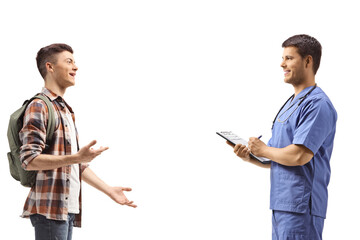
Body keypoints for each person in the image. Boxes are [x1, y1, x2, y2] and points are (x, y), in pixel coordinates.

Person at [19, 43, 137, 240]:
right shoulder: (39, 105)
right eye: (69, 61)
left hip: (66, 210)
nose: (76, 67)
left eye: (75, 62)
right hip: (49, 211)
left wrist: (109, 190)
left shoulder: (65, 110)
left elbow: (75, 164)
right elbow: (29, 159)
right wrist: (74, 158)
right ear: (50, 67)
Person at [227, 34, 337, 239]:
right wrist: (250, 156)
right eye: (283, 58)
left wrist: (263, 149)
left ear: (307, 61)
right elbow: (278, 157)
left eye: (289, 58)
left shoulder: (317, 105)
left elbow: (299, 156)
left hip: (301, 207)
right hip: (282, 205)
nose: (281, 64)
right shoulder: (291, 103)